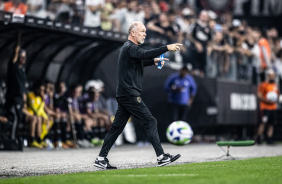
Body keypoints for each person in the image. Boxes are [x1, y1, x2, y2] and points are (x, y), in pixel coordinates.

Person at [94, 21, 182, 170]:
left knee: (116, 127)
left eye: (145, 31)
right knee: (151, 121)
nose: (145, 34)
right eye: (142, 31)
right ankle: (161, 157)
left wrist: (154, 61)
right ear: (132, 33)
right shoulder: (130, 47)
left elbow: (139, 61)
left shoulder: (130, 49)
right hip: (129, 95)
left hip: (125, 95)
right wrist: (165, 48)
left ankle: (101, 159)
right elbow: (143, 54)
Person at [5, 33, 26, 140]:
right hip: (13, 98)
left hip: (19, 98)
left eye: (24, 57)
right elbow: (15, 56)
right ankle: (11, 138)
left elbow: (23, 84)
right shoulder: (13, 67)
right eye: (21, 57)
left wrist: (24, 94)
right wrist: (16, 51)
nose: (23, 59)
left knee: (19, 118)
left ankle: (14, 137)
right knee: (14, 117)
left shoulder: (22, 69)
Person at [256, 69, 279, 145]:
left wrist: (276, 99)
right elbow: (259, 94)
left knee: (271, 124)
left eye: (273, 76)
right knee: (263, 122)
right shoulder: (264, 85)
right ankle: (258, 138)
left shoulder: (275, 85)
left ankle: (269, 139)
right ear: (268, 76)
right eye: (270, 76)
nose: (272, 77)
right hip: (265, 107)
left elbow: (277, 95)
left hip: (273, 107)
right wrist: (266, 100)